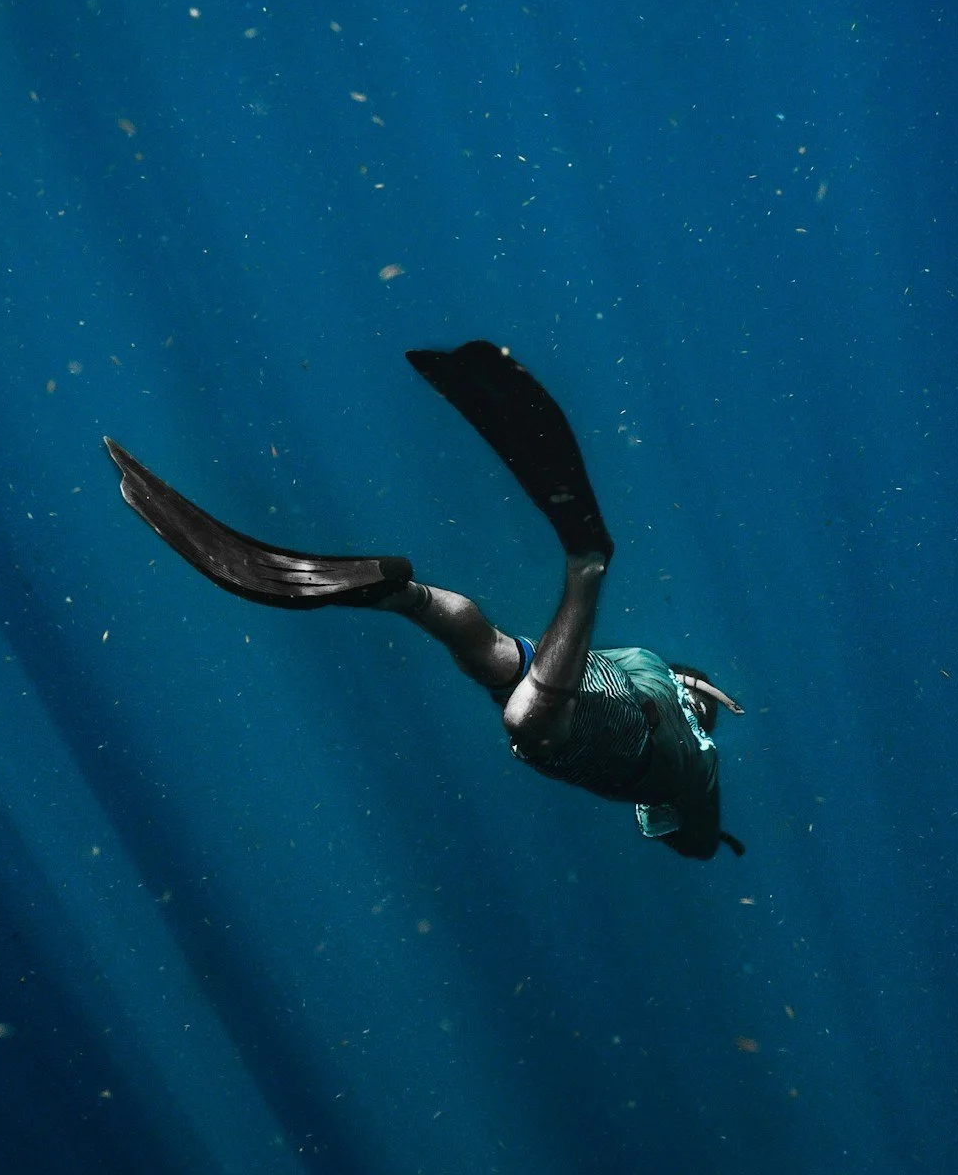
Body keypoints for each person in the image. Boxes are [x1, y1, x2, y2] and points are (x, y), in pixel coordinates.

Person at [104, 340, 743, 859]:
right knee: (531, 718)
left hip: (594, 681)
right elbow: (696, 847)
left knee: (491, 649)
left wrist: (682, 684)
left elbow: (644, 681)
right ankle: (586, 566)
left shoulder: (650, 666)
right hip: (594, 724)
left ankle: (409, 597)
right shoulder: (699, 769)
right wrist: (709, 835)